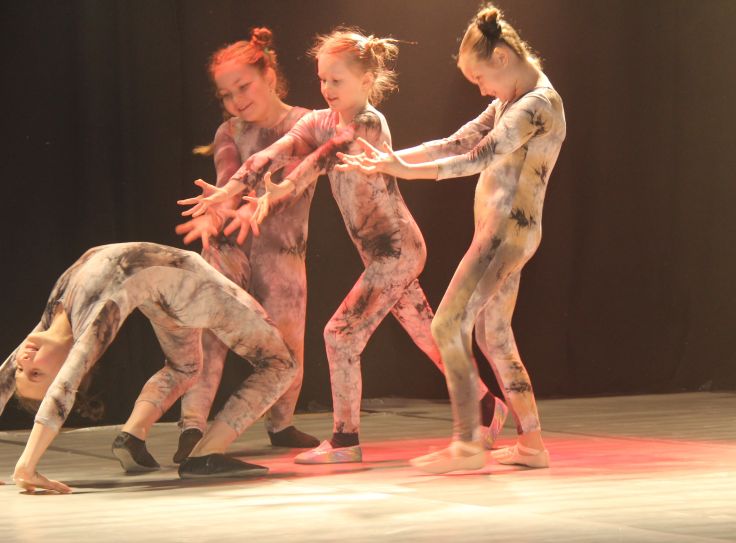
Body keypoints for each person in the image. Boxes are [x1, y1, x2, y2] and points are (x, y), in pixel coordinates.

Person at [181, 28, 506, 465]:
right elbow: (274, 152)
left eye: (337, 81)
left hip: (397, 250)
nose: (327, 89)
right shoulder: (320, 120)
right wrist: (231, 190)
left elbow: (326, 156)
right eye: (322, 80)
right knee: (430, 336)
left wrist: (283, 189)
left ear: (366, 81)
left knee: (339, 335)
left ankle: (345, 438)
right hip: (379, 253)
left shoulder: (369, 122)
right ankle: (486, 404)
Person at [337, 4, 566, 473]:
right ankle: (532, 444)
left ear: (501, 58)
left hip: (507, 233)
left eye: (480, 78)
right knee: (493, 334)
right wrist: (389, 158)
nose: (481, 89)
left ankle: (467, 444)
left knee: (447, 324)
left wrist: (404, 170)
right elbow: (458, 141)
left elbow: (480, 156)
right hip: (504, 232)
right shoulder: (511, 101)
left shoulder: (538, 105)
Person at [0, 242, 299, 492]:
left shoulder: (53, 315)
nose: (23, 362)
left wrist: (21, 373)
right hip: (193, 288)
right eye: (36, 373)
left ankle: (133, 434)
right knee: (283, 364)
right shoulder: (95, 324)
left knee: (185, 368)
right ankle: (207, 453)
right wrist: (26, 465)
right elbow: (63, 390)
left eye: (22, 371)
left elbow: (4, 378)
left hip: (165, 294)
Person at [173, 27, 319, 462]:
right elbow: (227, 183)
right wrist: (214, 213)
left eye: (244, 87)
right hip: (231, 247)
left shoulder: (305, 123)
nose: (236, 100)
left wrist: (256, 206)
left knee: (288, 342)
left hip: (282, 251)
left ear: (268, 76)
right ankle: (192, 426)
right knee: (208, 333)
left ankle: (281, 422)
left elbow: (294, 182)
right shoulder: (230, 131)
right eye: (226, 94)